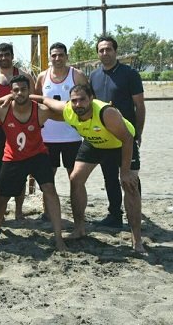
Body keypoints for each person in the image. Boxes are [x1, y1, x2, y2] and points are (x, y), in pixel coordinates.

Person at [35, 83, 145, 253]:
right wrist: (12, 97)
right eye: (74, 101)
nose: (78, 104)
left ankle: (137, 239)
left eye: (82, 100)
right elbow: (44, 99)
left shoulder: (106, 113)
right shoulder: (69, 110)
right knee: (75, 178)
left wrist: (124, 172)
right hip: (95, 143)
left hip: (120, 144)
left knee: (130, 185)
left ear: (91, 98)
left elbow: (128, 139)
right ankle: (79, 228)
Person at [0, 75, 66, 252]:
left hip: (37, 156)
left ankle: (58, 237)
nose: (20, 93)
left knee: (50, 191)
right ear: (11, 92)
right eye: (15, 90)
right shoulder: (3, 109)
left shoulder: (40, 110)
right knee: (2, 198)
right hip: (13, 157)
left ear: (29, 91)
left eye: (23, 89)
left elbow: (64, 113)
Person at [89, 36, 145, 228]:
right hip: (105, 137)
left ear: (115, 51)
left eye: (108, 49)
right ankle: (114, 214)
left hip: (125, 136)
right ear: (98, 53)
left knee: (130, 177)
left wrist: (138, 133)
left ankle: (134, 212)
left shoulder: (129, 74)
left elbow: (140, 105)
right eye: (101, 50)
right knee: (110, 177)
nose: (105, 53)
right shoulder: (94, 76)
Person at [35, 42, 87, 220]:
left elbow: (88, 101)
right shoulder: (43, 77)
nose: (57, 58)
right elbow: (37, 103)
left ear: (66, 56)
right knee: (47, 178)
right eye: (54, 55)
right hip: (48, 137)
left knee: (76, 179)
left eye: (60, 55)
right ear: (50, 57)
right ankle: (47, 212)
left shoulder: (77, 75)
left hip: (72, 136)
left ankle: (79, 213)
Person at [0, 43, 34, 219]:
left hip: (20, 131)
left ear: (12, 56)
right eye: (0, 55)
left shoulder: (25, 77)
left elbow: (32, 102)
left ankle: (19, 211)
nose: (3, 58)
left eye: (6, 55)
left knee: (21, 170)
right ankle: (0, 211)